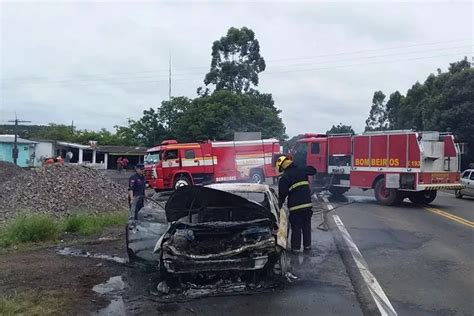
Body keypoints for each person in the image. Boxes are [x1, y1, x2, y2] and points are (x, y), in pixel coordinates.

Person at [276, 155, 316, 253]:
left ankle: (296, 249)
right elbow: (313, 170)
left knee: (296, 227)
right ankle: (307, 246)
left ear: (283, 167)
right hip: (307, 204)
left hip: (295, 207)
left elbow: (282, 194)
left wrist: (278, 206)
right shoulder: (302, 169)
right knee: (306, 226)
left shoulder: (284, 177)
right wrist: (304, 167)